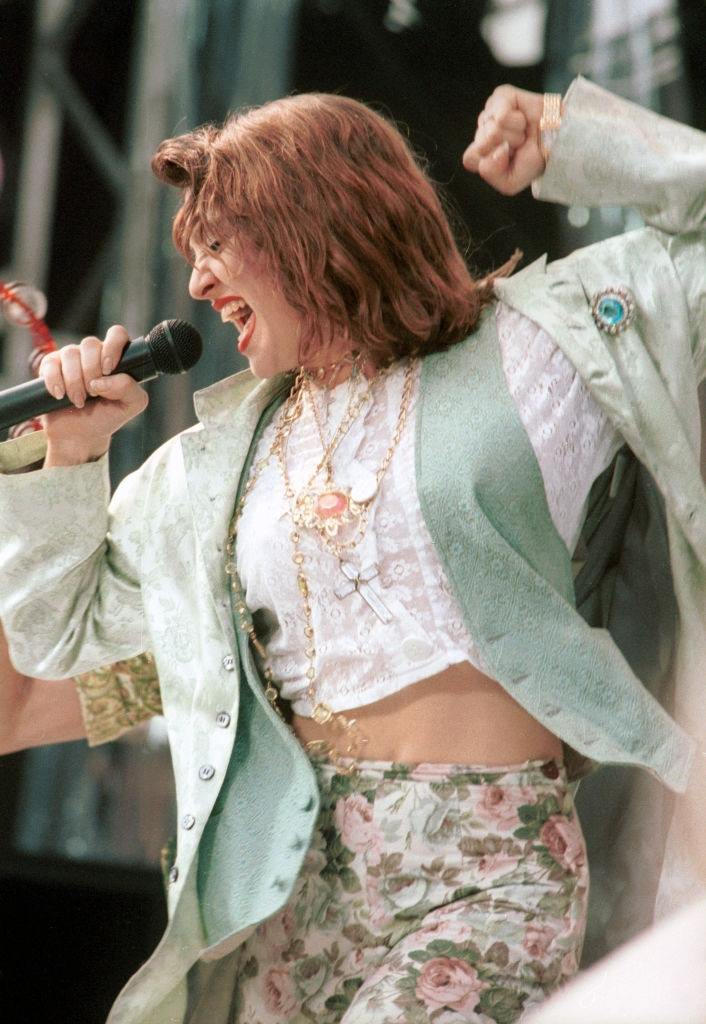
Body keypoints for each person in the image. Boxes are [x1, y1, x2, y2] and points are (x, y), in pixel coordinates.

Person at [0, 76, 703, 1024]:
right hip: (282, 894)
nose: (198, 284)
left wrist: (580, 145)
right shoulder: (204, 472)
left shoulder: (539, 347)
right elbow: (55, 641)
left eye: (216, 243)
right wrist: (72, 457)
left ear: (314, 217)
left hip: (483, 869)